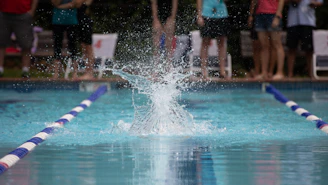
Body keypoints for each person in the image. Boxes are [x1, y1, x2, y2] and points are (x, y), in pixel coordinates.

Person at [56, 0, 95, 80]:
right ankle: (86, 71)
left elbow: (76, 3)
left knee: (88, 47)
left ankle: (90, 73)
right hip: (78, 20)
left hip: (85, 21)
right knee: (83, 48)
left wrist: (60, 7)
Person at [0, 0, 39, 78]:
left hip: (23, 13)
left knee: (26, 43)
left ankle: (25, 70)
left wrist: (32, 11)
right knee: (1, 42)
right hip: (3, 13)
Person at [248, 0, 285, 80]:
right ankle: (264, 72)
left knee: (277, 44)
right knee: (264, 46)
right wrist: (251, 15)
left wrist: (278, 15)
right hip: (260, 14)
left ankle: (280, 72)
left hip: (273, 13)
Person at [285, 0, 323, 78]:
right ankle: (290, 74)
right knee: (291, 48)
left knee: (309, 50)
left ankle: (311, 74)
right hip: (293, 22)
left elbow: (319, 2)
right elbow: (282, 2)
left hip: (308, 21)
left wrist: (313, 4)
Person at [196, 0, 230, 79]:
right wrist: (199, 15)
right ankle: (203, 71)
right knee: (205, 42)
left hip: (222, 13)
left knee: (221, 42)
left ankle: (222, 71)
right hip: (206, 12)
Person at [51, 0, 78, 79]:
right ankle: (56, 72)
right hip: (57, 21)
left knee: (73, 47)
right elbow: (55, 3)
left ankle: (75, 72)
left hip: (72, 21)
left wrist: (60, 7)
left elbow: (76, 4)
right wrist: (67, 5)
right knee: (57, 46)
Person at [150, 0, 178, 71]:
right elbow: (154, 3)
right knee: (156, 44)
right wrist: (155, 18)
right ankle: (155, 68)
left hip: (169, 14)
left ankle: (168, 66)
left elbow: (175, 2)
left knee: (169, 45)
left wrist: (172, 18)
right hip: (158, 14)